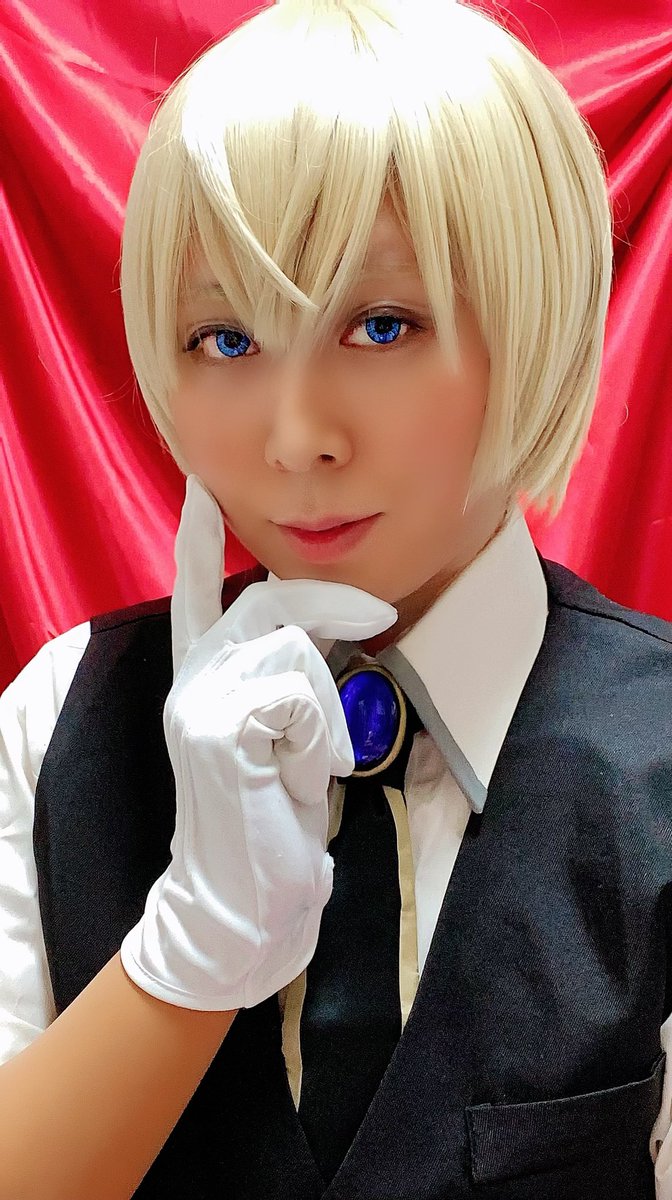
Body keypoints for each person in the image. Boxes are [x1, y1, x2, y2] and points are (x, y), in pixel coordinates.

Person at [1, 0, 671, 1196]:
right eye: (225, 339)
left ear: (536, 322)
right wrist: (188, 955)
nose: (296, 437)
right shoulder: (61, 722)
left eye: (381, 325)